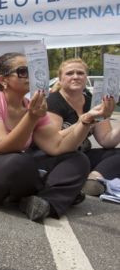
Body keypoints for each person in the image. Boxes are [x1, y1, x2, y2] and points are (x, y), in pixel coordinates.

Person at [0, 52, 114, 222]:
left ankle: (45, 203)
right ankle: (53, 190)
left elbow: (57, 146)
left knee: (77, 159)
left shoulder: (32, 106)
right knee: (19, 162)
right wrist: (31, 117)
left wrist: (87, 121)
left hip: (14, 171)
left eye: (32, 70)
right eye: (23, 71)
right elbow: (1, 147)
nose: (31, 75)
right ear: (3, 80)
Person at [47, 58, 120, 196]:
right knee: (79, 158)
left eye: (80, 73)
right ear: (60, 79)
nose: (75, 76)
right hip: (58, 155)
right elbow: (53, 140)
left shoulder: (92, 101)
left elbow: (106, 140)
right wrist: (86, 120)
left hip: (83, 153)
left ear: (86, 78)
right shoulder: (53, 101)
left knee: (115, 154)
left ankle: (93, 179)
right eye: (70, 73)